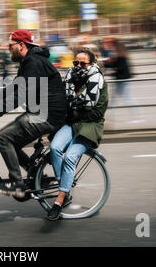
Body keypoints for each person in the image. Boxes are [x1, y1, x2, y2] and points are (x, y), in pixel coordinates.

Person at [0, 29, 66, 197]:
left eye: (10, 46)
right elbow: (15, 87)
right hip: (42, 112)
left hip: (47, 115)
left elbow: (23, 94)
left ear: (21, 45)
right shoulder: (30, 60)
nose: (8, 49)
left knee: (3, 138)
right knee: (12, 140)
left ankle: (17, 185)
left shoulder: (33, 62)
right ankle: (36, 174)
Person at [47, 47, 109, 220]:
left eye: (83, 63)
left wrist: (72, 107)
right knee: (54, 147)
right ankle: (63, 186)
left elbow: (95, 110)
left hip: (90, 126)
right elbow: (64, 100)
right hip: (72, 123)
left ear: (92, 63)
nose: (79, 65)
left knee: (70, 158)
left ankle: (59, 201)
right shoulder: (70, 77)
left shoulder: (98, 79)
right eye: (76, 62)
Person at [105, 39, 144, 123]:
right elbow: (113, 64)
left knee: (126, 98)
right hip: (120, 79)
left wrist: (112, 71)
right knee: (114, 98)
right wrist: (106, 64)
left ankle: (138, 116)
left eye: (111, 46)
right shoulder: (119, 55)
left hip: (122, 80)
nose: (110, 47)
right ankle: (110, 116)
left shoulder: (121, 56)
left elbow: (121, 68)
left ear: (116, 47)